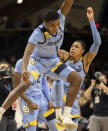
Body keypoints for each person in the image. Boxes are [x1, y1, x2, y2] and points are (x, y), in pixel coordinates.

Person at [0, 0, 83, 130]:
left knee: (77, 78)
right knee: (25, 84)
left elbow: (67, 3)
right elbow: (27, 52)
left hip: (53, 62)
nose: (55, 27)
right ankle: (1, 111)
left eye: (57, 25)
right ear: (44, 24)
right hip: (37, 62)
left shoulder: (60, 19)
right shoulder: (38, 32)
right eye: (51, 26)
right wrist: (24, 70)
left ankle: (66, 115)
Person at [51, 7, 101, 131]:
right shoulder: (65, 56)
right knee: (56, 79)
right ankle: (57, 114)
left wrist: (91, 21)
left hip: (71, 104)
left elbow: (97, 42)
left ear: (83, 51)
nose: (73, 48)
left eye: (77, 46)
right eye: (72, 46)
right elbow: (51, 47)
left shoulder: (85, 61)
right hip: (58, 102)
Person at [14, 59, 58, 131]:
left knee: (54, 125)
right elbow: (16, 88)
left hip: (41, 98)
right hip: (27, 100)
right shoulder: (20, 63)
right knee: (31, 128)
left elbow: (44, 84)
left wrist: (50, 100)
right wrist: (30, 102)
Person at [0, 61, 17, 131]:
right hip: (1, 117)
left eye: (7, 68)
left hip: (12, 116)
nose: (5, 70)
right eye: (3, 68)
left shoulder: (12, 83)